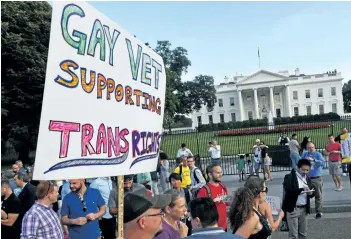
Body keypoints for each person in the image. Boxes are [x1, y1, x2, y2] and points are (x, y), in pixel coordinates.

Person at [282, 159, 315, 239]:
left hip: (304, 209)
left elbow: (313, 190)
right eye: (303, 169)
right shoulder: (290, 177)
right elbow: (288, 190)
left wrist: (310, 193)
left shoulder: (307, 178)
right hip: (293, 208)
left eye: (307, 170)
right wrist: (301, 190)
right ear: (298, 168)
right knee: (293, 235)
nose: (305, 172)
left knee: (303, 234)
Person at [197, 164, 230, 231]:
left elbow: (226, 202)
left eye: (221, 172)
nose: (220, 174)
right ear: (210, 175)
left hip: (223, 226)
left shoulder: (223, 186)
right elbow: (198, 208)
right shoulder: (204, 190)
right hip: (211, 228)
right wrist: (212, 201)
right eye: (217, 173)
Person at [301, 142, 325, 219]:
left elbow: (323, 163)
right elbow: (300, 163)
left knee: (318, 195)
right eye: (309, 147)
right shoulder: (305, 154)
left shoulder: (318, 154)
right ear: (307, 148)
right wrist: (304, 160)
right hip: (307, 178)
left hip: (316, 178)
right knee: (305, 195)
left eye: (312, 147)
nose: (311, 149)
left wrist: (314, 160)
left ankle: (318, 212)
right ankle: (306, 210)